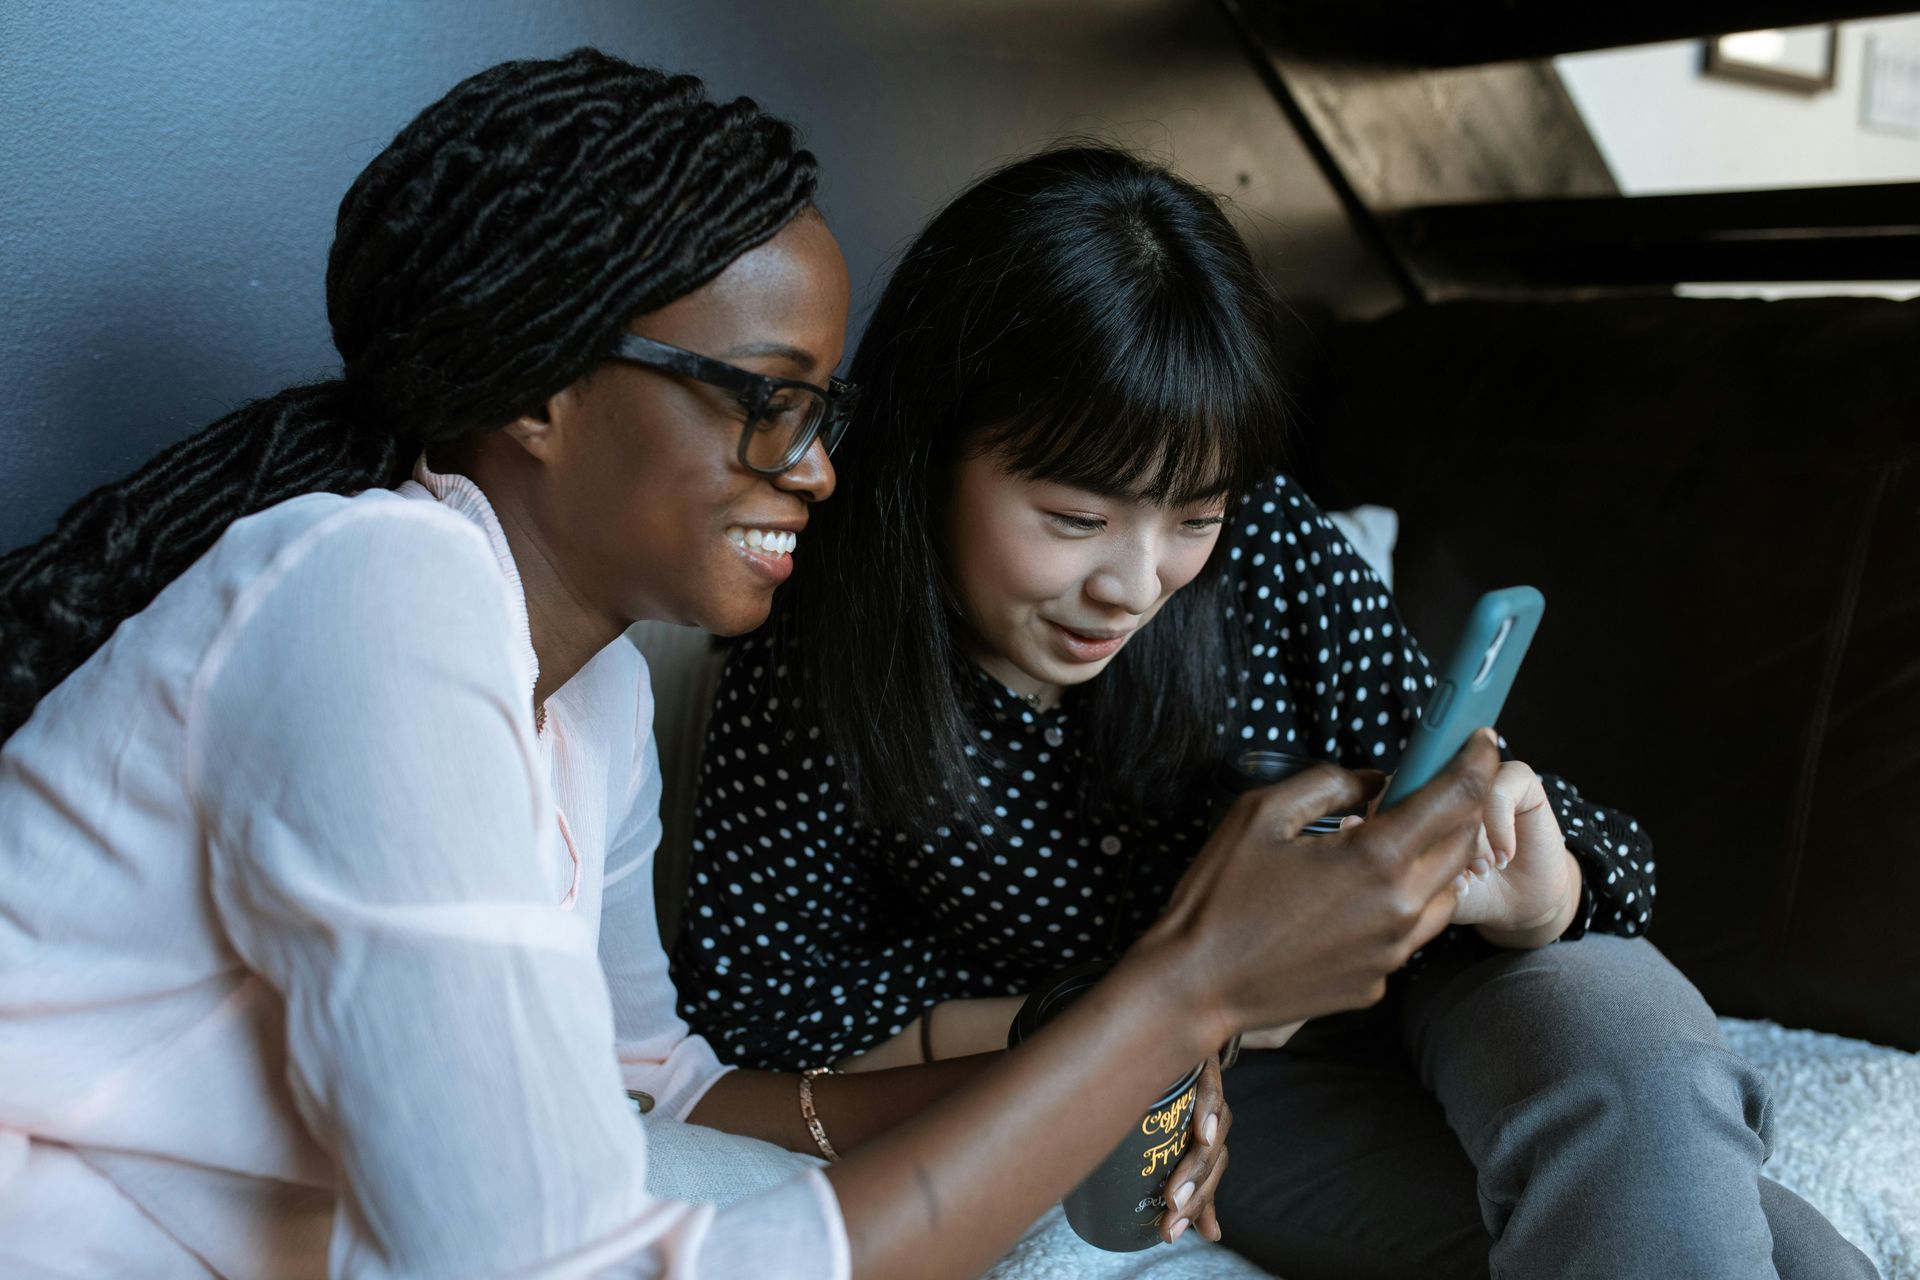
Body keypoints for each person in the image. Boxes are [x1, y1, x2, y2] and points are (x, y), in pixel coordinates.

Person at [0, 51, 1508, 1279]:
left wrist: (1095, 1071)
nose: (819, 471)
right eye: (763, 401)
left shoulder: (582, 696)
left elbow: (662, 1094)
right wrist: (1179, 998)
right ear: (540, 387)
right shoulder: (374, 598)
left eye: (823, 407)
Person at [670, 146, 1879, 1279]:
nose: (1135, 583)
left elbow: (1570, 838)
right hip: (1211, 1083)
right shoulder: (817, 657)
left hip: (1449, 969)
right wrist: (1132, 1017)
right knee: (1785, 1256)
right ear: (933, 449)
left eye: (1190, 517)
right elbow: (767, 1008)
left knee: (1622, 1048)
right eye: (1076, 519)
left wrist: (1542, 882)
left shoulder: (1269, 550)